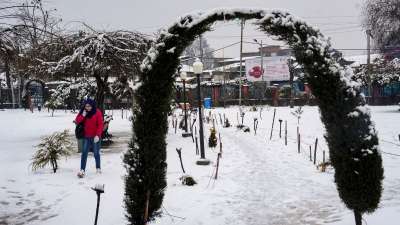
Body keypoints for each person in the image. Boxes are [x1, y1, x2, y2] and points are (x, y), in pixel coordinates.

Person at [75, 99, 103, 178]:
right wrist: (83, 115)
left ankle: (98, 168)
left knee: (96, 153)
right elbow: (77, 121)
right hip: (86, 137)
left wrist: (98, 135)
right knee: (84, 153)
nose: (87, 108)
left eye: (89, 106)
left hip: (95, 137)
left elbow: (100, 124)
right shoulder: (83, 112)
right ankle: (82, 170)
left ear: (92, 105)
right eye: (86, 106)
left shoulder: (97, 112)